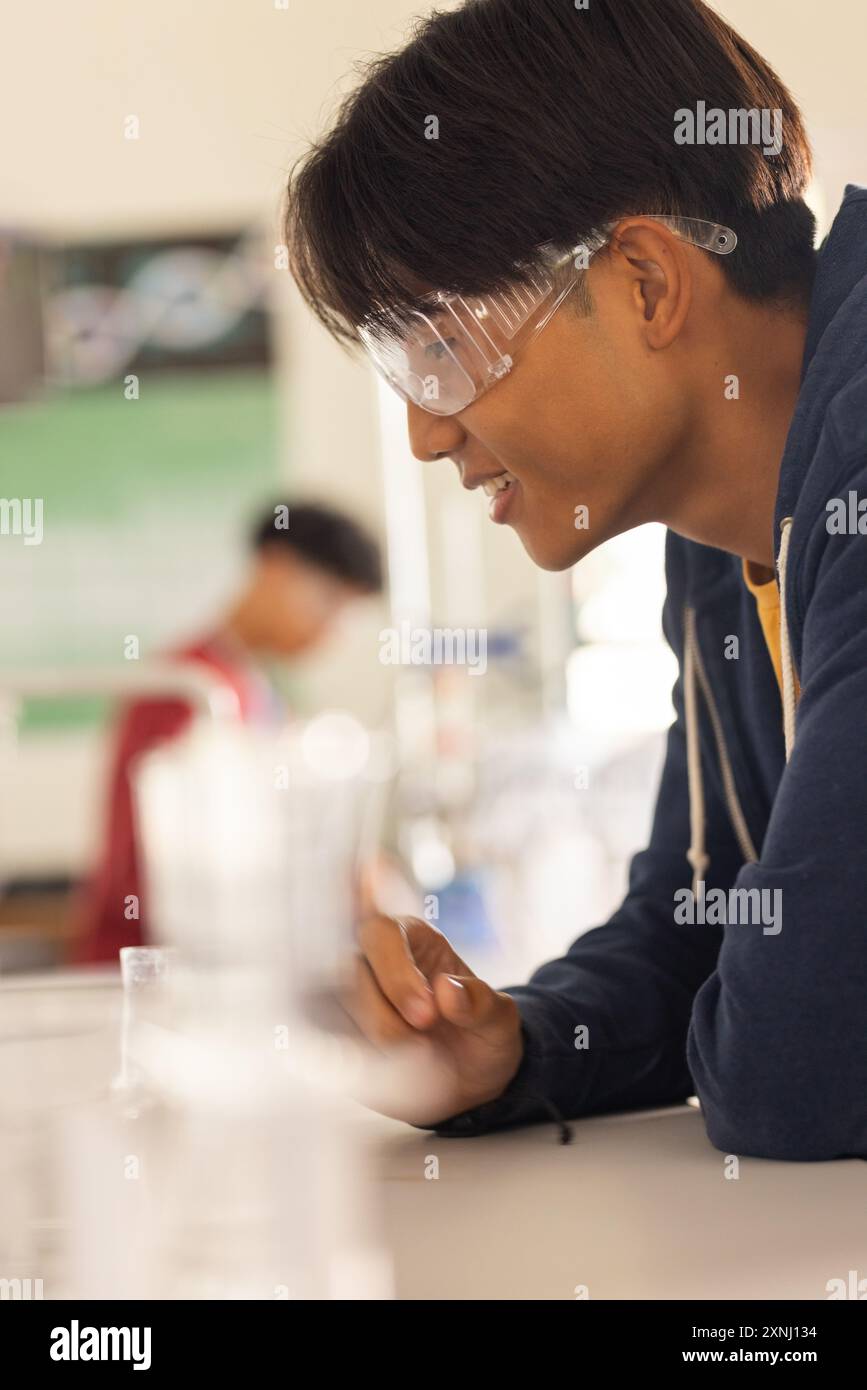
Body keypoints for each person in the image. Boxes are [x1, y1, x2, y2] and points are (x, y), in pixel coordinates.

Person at [283, 0, 867, 1161]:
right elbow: (698, 917)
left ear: (648, 281)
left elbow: (801, 1058)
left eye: (438, 350)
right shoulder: (721, 536)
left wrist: (749, 1008)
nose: (425, 437)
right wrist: (519, 1046)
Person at [76, 501, 383, 964]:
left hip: (222, 967)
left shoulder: (262, 693)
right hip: (144, 970)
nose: (331, 631)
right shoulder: (188, 689)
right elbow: (149, 870)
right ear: (276, 568)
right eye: (328, 600)